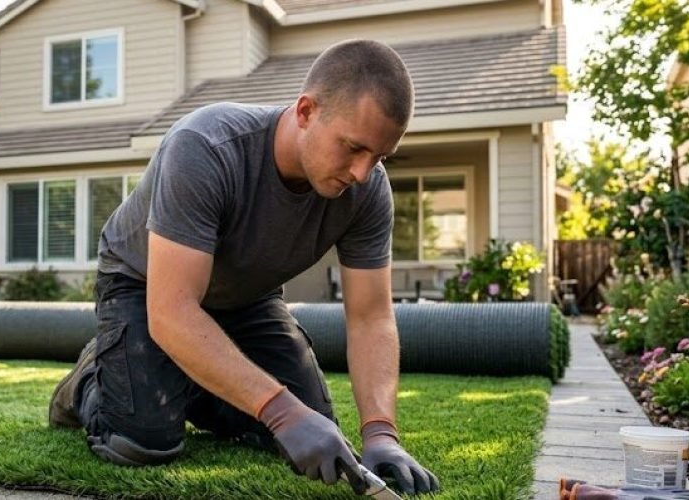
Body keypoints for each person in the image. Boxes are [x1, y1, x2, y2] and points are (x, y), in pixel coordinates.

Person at [47, 39, 440, 496]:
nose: (361, 173)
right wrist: (280, 410)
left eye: (378, 157)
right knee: (142, 441)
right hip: (144, 284)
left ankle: (182, 371)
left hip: (248, 298)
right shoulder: (205, 146)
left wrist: (380, 433)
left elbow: (371, 317)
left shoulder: (368, 191)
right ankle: (92, 377)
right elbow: (173, 310)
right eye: (353, 148)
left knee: (311, 433)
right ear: (306, 111)